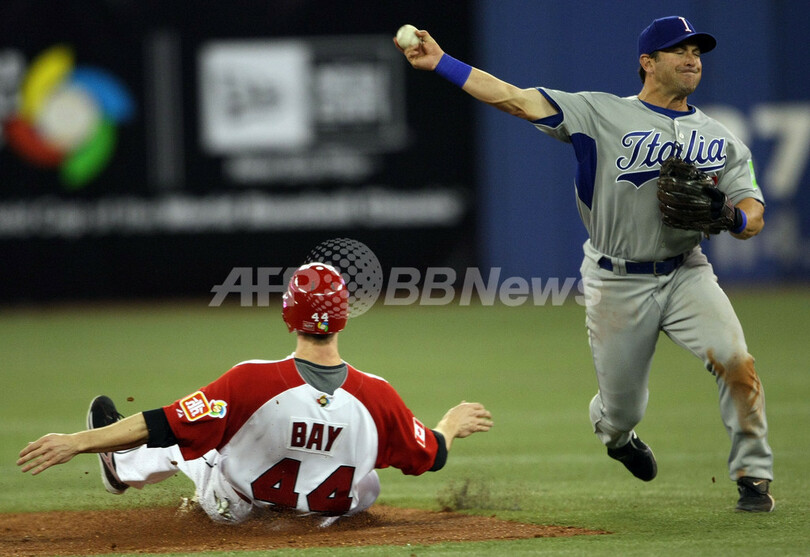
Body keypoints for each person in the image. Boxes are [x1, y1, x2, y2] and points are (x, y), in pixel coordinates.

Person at [395, 15, 774, 512]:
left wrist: (732, 216)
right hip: (616, 280)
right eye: (679, 50)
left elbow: (753, 213)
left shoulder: (722, 139)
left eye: (697, 52)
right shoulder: (599, 113)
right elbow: (514, 98)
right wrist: (442, 62)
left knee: (736, 360)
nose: (692, 59)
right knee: (623, 410)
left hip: (686, 272)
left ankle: (753, 476)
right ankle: (616, 437)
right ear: (648, 62)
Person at [17, 262, 494, 525]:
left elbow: (159, 424)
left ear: (288, 316)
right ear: (343, 318)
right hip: (326, 518)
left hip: (235, 513)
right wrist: (450, 424)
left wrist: (77, 441)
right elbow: (433, 456)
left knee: (194, 441)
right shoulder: (379, 396)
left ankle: (120, 467)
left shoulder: (252, 381)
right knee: (368, 478)